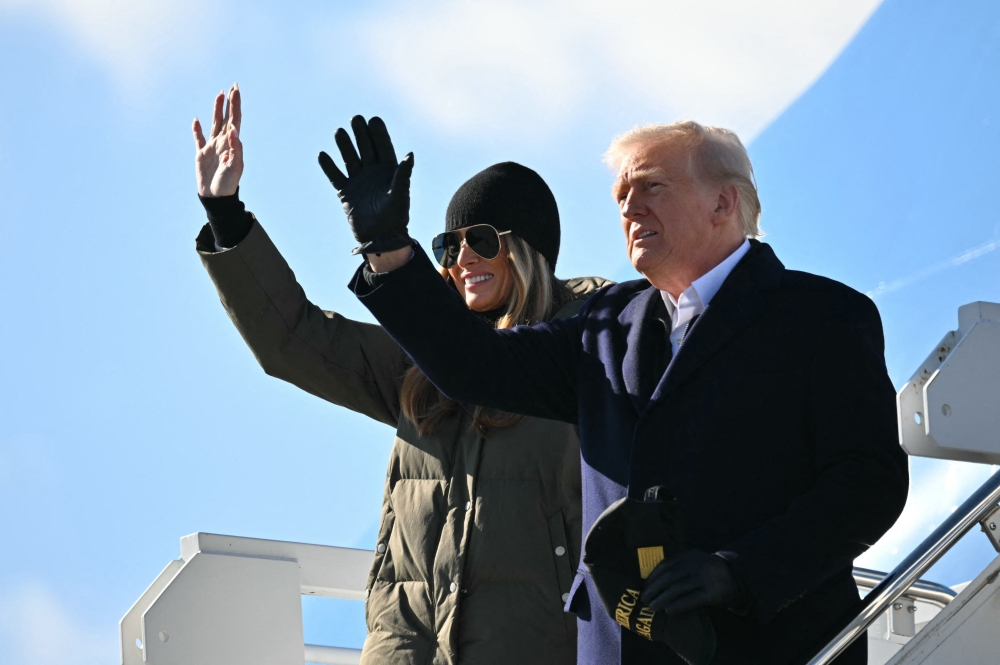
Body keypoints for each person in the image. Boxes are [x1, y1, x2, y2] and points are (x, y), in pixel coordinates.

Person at [334, 117, 910, 665]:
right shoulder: (606, 323)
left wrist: (741, 571)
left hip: (765, 645)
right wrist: (390, 252)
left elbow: (867, 484)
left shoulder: (824, 316)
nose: (630, 208)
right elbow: (475, 367)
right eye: (620, 196)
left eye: (652, 186)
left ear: (723, 202)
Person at [190, 85, 611, 665]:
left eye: (482, 240)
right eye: (449, 243)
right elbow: (294, 339)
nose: (462, 257)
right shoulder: (420, 363)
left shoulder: (592, 344)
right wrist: (225, 211)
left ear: (527, 250)